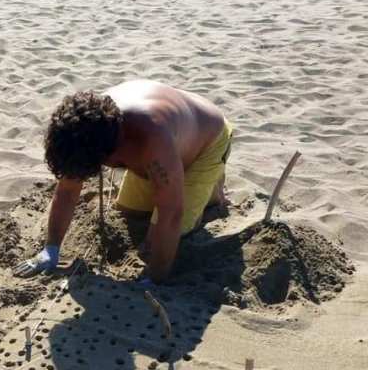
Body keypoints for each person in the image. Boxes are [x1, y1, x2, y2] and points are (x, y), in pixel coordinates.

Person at [13, 79, 233, 282]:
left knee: (155, 242)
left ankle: (213, 189)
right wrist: (50, 249)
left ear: (110, 153)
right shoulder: (81, 131)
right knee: (130, 214)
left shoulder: (149, 138)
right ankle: (185, 179)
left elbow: (171, 212)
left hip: (207, 142)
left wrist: (153, 279)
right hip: (170, 139)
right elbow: (68, 190)